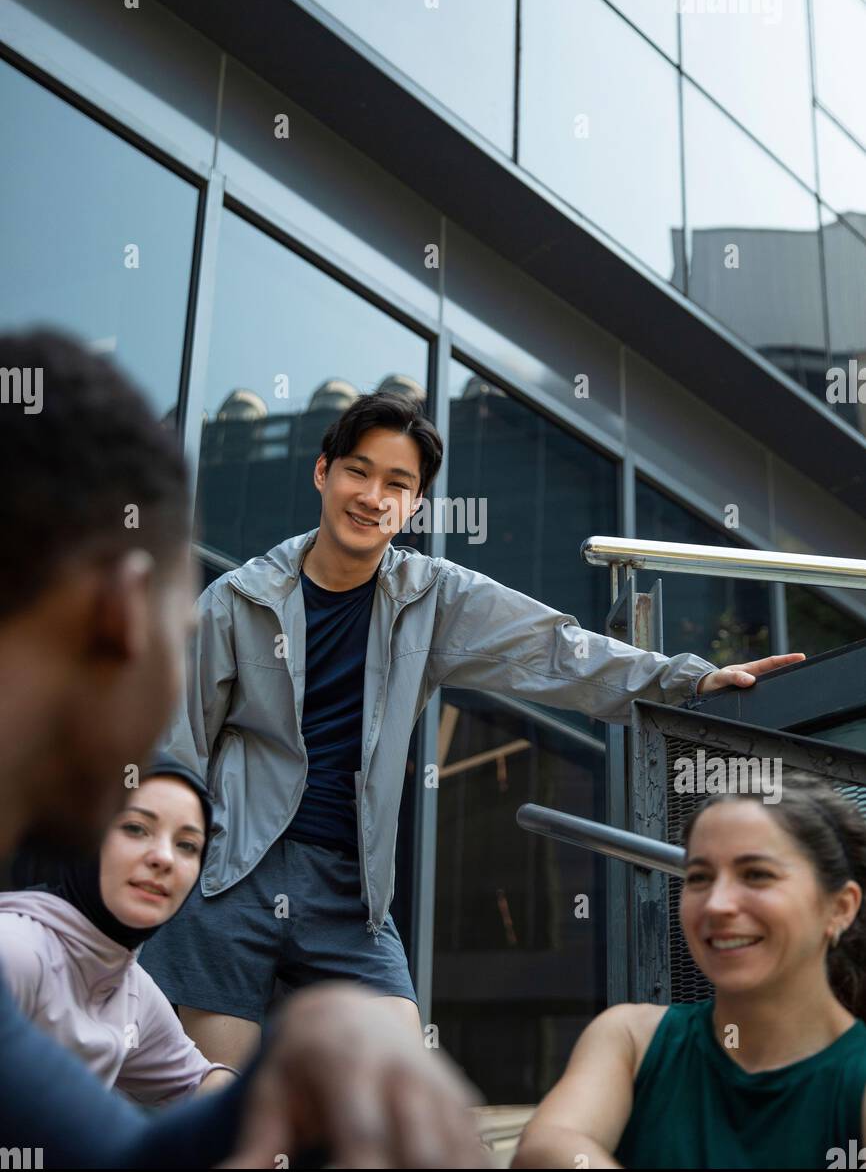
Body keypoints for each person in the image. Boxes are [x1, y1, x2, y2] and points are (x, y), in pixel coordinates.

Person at [138, 388, 804, 1068]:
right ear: (323, 473)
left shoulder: (434, 596)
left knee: (400, 1089)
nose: (372, 496)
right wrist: (171, 866)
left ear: (415, 506)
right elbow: (176, 749)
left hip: (351, 892)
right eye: (358, 471)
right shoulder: (237, 600)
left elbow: (558, 650)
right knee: (212, 1103)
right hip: (232, 875)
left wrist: (687, 678)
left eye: (397, 484)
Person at [0, 325, 485, 1168]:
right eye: (177, 620)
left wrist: (282, 1072)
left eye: (398, 484)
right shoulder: (23, 953)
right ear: (122, 612)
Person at [511, 769, 866, 1169]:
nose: (717, 904)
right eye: (699, 877)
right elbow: (547, 1148)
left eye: (756, 875)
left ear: (840, 907)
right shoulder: (633, 1038)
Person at [0, 754, 239, 1103]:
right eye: (135, 828)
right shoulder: (17, 949)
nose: (164, 858)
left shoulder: (128, 983)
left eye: (187, 845)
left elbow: (195, 1085)